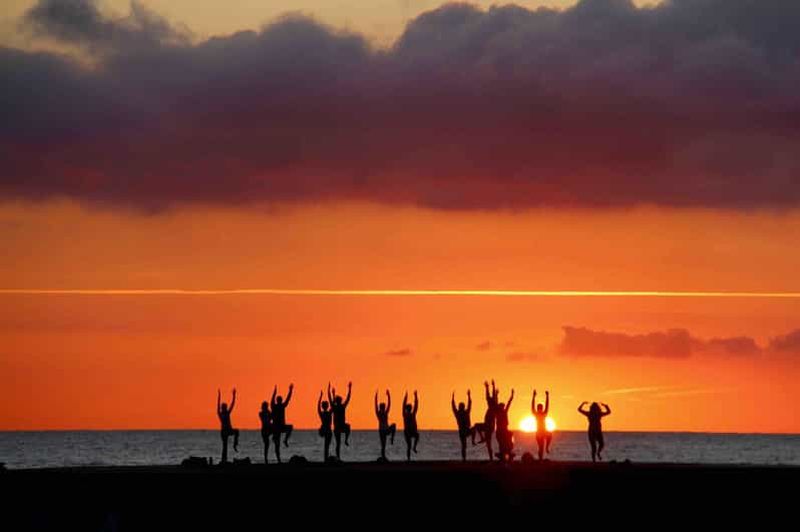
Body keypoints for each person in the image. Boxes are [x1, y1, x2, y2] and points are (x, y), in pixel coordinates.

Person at [473, 380, 499, 460]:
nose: (488, 403)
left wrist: (493, 386)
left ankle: (491, 458)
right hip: (487, 425)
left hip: (489, 426)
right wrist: (487, 387)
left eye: (489, 402)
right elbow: (487, 396)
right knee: (476, 426)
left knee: (488, 443)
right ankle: (482, 437)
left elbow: (493, 396)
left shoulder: (494, 407)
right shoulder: (491, 406)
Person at [270, 384, 294, 463]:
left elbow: (287, 399)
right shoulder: (276, 406)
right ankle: (279, 460)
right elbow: (287, 399)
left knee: (290, 427)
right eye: (280, 400)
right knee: (277, 445)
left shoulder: (280, 406)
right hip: (276, 427)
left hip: (280, 426)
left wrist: (290, 391)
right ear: (278, 400)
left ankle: (285, 440)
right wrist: (274, 392)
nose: (280, 401)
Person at [330, 382, 352, 460]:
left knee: (338, 443)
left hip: (339, 426)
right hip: (338, 427)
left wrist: (331, 393)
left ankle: (345, 440)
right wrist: (332, 393)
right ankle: (338, 457)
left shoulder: (338, 406)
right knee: (338, 443)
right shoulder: (338, 407)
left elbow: (348, 399)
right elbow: (348, 399)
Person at [217, 388, 239, 463]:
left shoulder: (227, 413)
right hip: (224, 432)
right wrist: (219, 396)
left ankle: (235, 445)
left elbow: (232, 404)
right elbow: (218, 406)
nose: (225, 408)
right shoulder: (220, 414)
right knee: (225, 446)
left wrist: (234, 395)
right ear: (222, 408)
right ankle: (224, 459)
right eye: (223, 407)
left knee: (236, 431)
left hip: (229, 430)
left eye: (225, 407)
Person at [451, 390, 475, 461]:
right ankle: (464, 458)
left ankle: (464, 458)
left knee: (464, 446)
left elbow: (453, 407)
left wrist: (469, 396)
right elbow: (454, 407)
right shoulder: (460, 413)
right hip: (463, 431)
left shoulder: (461, 413)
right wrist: (469, 396)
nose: (460, 407)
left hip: (464, 431)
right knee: (464, 446)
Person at [375, 389, 396, 461]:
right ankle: (383, 457)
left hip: (385, 430)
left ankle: (392, 438)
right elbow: (376, 405)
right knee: (383, 445)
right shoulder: (379, 413)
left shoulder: (384, 412)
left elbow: (389, 404)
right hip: (382, 430)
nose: (384, 408)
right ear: (381, 407)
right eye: (383, 407)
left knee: (393, 425)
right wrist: (376, 396)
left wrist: (388, 395)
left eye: (384, 407)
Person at [494, 388, 515, 462]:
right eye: (502, 407)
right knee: (501, 444)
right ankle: (502, 456)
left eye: (503, 407)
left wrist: (512, 396)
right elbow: (496, 403)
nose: (503, 408)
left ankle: (507, 454)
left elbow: (509, 403)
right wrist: (496, 395)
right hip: (500, 431)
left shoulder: (504, 412)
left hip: (505, 430)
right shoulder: (497, 413)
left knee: (508, 443)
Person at [532, 390, 550, 460]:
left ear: (542, 409)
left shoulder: (544, 414)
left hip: (544, 431)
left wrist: (547, 396)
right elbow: (532, 407)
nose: (540, 409)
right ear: (538, 409)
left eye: (541, 408)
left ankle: (547, 447)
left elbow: (547, 406)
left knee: (550, 435)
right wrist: (533, 397)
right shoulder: (536, 414)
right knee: (540, 447)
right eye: (539, 408)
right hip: (539, 432)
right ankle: (540, 459)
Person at [402, 391, 420, 461]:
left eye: (410, 409)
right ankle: (408, 458)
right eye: (408, 409)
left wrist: (415, 396)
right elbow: (403, 406)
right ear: (407, 409)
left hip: (412, 431)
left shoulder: (413, 414)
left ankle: (414, 447)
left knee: (417, 436)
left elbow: (416, 406)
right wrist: (405, 397)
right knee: (409, 445)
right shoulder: (405, 415)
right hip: (407, 432)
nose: (410, 409)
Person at [317, 388, 333, 461]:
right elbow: (332, 405)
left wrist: (320, 397)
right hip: (327, 430)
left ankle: (325, 458)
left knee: (326, 446)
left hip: (324, 430)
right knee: (327, 445)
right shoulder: (328, 413)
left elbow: (318, 407)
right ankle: (326, 459)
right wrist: (332, 394)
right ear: (327, 406)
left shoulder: (322, 414)